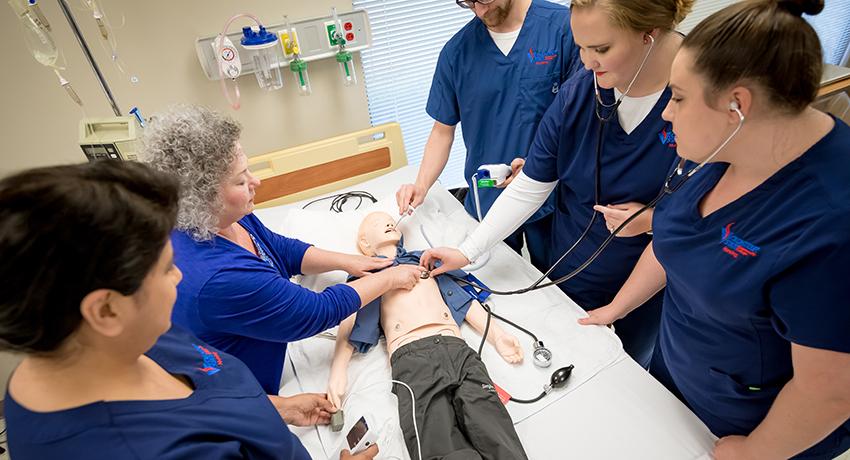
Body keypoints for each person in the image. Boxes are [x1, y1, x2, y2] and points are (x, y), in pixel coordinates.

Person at [578, 1, 850, 458]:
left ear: (736, 105)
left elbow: (830, 390)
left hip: (752, 427)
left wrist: (753, 452)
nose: (666, 113)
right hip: (678, 382)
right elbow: (676, 239)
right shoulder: (716, 150)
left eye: (678, 98)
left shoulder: (828, 224)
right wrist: (615, 309)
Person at [0, 161, 378, 459]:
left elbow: (205, 390)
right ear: (106, 311)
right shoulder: (142, 449)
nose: (181, 276)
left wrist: (277, 409)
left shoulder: (126, 340)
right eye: (167, 268)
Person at [421, 0, 694, 367]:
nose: (585, 62)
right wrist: (469, 250)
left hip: (648, 286)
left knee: (630, 374)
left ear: (650, 35)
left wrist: (652, 224)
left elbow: (703, 219)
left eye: (600, 49)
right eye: (581, 47)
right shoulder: (580, 93)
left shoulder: (700, 103)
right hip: (575, 263)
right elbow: (533, 183)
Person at [141, 105, 425, 395]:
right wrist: (390, 278)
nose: (256, 182)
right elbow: (317, 311)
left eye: (248, 170)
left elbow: (278, 249)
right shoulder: (219, 277)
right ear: (203, 198)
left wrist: (349, 262)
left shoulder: (228, 217)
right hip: (247, 390)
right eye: (241, 180)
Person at [396, 0, 582, 272]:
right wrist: (421, 185)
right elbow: (442, 130)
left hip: (554, 192)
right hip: (488, 195)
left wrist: (535, 165)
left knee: (558, 287)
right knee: (495, 282)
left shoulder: (564, 29)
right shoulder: (457, 52)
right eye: (467, 3)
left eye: (483, 0)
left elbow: (582, 116)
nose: (479, 11)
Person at [327, 211, 528, 460]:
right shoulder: (368, 275)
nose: (389, 222)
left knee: (497, 432)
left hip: (459, 350)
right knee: (438, 443)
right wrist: (338, 369)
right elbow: (351, 316)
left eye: (390, 219)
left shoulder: (424, 262)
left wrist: (498, 335)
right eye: (379, 223)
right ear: (365, 244)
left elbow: (460, 299)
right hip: (413, 359)